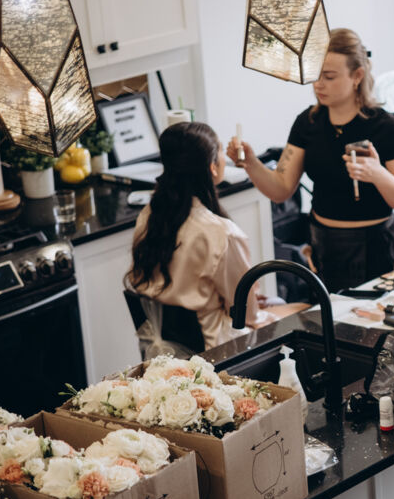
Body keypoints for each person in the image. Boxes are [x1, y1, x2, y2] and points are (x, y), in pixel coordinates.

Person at [228, 28, 394, 291]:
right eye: (315, 74)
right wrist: (251, 163)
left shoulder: (387, 128)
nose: (318, 84)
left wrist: (377, 174)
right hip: (324, 246)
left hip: (377, 247)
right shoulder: (308, 123)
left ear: (357, 76)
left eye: (329, 76)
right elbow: (280, 190)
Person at [127, 122, 306, 350]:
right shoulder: (221, 233)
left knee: (277, 303)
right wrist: (255, 303)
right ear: (212, 167)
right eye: (220, 151)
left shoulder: (149, 216)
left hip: (170, 341)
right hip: (218, 345)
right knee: (306, 310)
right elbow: (247, 315)